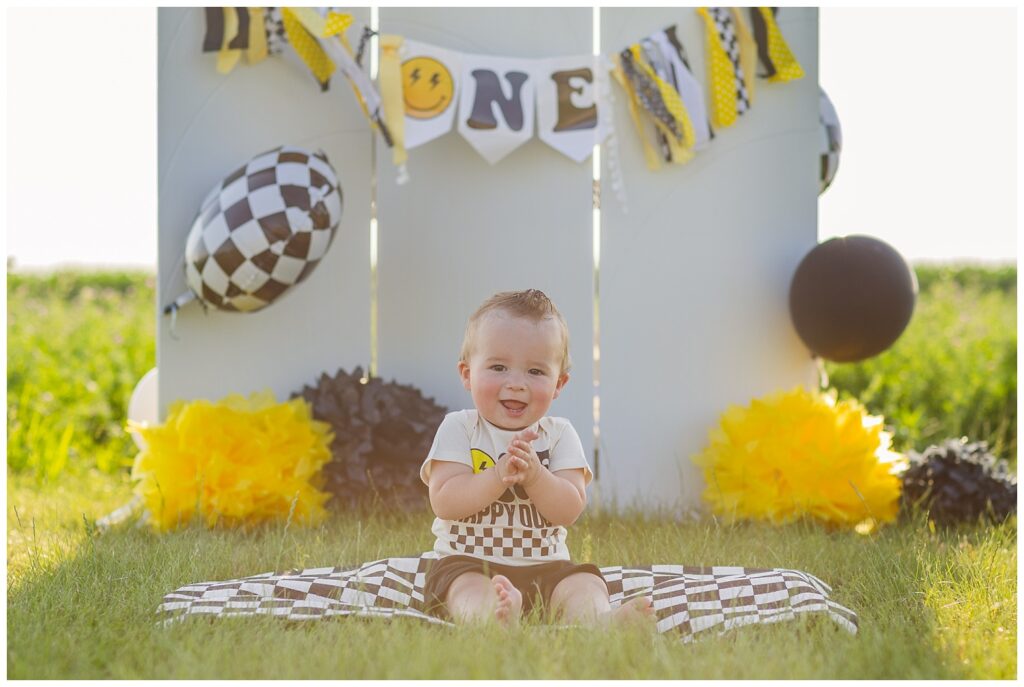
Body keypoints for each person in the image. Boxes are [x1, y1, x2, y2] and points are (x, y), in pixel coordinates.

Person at [420, 289, 655, 626]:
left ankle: (601, 622)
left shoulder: (558, 434)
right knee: (465, 590)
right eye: (498, 367)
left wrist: (536, 476)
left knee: (584, 583)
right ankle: (492, 618)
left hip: (548, 569)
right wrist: (498, 474)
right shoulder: (460, 428)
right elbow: (444, 501)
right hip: (468, 562)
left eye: (535, 372)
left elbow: (569, 509)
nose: (516, 384)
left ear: (559, 383)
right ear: (467, 373)